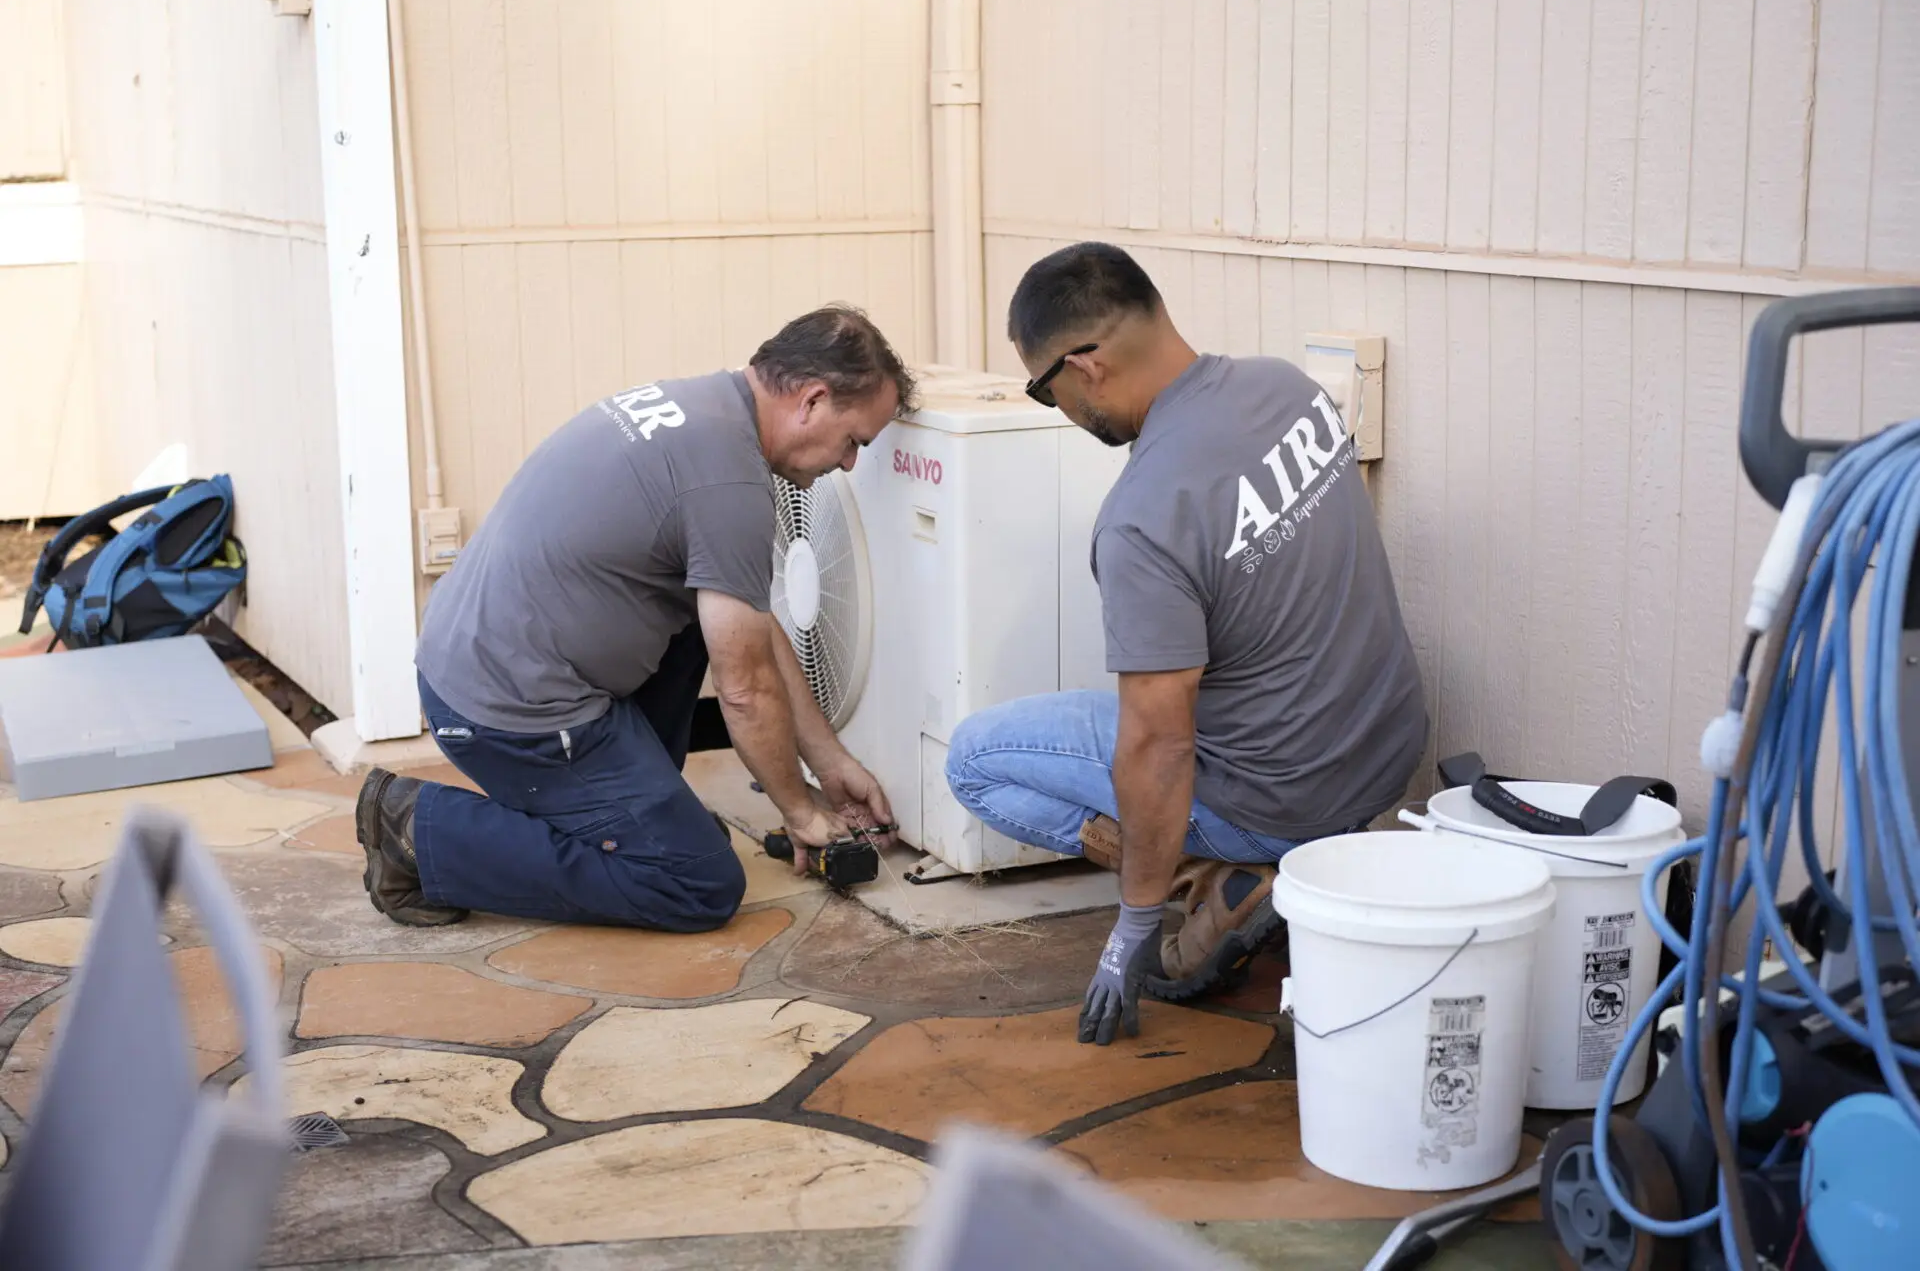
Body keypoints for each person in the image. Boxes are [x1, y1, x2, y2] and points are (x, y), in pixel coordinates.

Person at [944, 243, 1428, 1045]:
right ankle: (1251, 875)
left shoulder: (1144, 517)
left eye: (1042, 387)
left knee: (974, 760)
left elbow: (1159, 743)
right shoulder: (1285, 386)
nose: (1050, 403)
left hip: (1278, 799)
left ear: (1086, 365)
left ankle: (1222, 877)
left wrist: (1133, 927)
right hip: (1383, 755)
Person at [356, 305, 913, 933]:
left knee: (720, 623)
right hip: (512, 718)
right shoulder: (728, 487)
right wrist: (800, 811)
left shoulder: (703, 408)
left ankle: (626, 813)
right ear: (812, 400)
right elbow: (744, 689)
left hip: (479, 668)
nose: (847, 465)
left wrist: (829, 761)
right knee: (696, 879)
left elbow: (753, 630)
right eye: (854, 442)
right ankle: (418, 830)